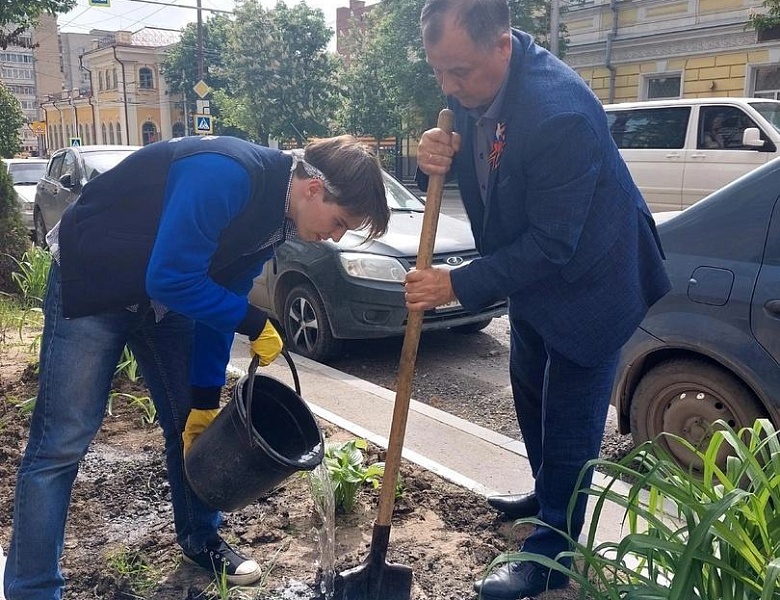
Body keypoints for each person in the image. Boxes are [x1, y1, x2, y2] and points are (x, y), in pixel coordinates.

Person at [4, 134, 389, 600]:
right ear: (313, 189)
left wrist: (206, 400)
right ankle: (33, 588)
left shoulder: (277, 221)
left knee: (190, 422)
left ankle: (200, 540)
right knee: (62, 440)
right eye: (340, 221)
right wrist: (251, 320)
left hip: (164, 303)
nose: (336, 236)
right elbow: (171, 277)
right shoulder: (224, 173)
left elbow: (216, 306)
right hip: (96, 284)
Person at [407, 1, 671, 598]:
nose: (449, 87)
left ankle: (554, 550)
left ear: (502, 44)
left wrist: (456, 283)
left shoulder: (560, 113)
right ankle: (546, 489)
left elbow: (554, 242)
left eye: (460, 72)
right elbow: (487, 166)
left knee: (571, 417)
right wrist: (436, 144)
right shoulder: (485, 85)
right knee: (528, 384)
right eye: (438, 71)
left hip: (592, 283)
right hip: (531, 278)